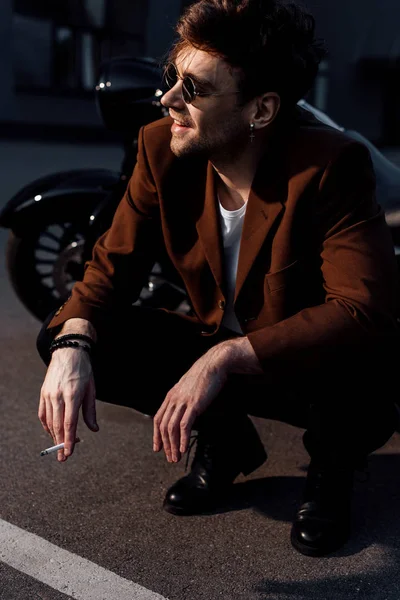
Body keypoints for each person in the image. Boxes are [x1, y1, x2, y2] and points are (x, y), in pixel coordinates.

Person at [36, 0, 400, 557]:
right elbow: (113, 266)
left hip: (314, 368)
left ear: (261, 109)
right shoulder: (161, 147)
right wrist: (74, 342)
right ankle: (227, 445)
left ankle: (332, 470)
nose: (168, 99)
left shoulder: (329, 166)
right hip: (222, 343)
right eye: (170, 78)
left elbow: (360, 309)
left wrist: (225, 357)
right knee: (67, 333)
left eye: (194, 89)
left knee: (352, 368)